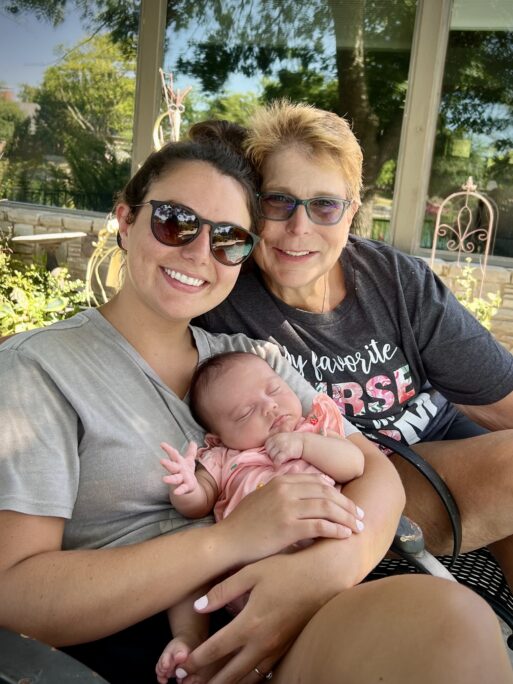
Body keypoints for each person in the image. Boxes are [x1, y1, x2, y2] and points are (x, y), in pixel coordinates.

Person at [0, 125, 511, 684]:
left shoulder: (249, 354)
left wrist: (327, 568)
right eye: (175, 222)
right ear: (125, 220)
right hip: (166, 643)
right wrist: (230, 539)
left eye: (228, 239)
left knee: (454, 627)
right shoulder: (41, 367)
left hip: (302, 603)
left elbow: (373, 468)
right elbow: (16, 592)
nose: (199, 253)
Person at [195, 101, 513, 595]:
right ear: (253, 207)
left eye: (324, 205)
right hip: (362, 476)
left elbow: (500, 398)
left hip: (460, 444)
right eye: (279, 201)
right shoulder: (224, 301)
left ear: (351, 214)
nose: (300, 229)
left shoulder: (394, 280)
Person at [157, 350, 365, 682]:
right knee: (186, 572)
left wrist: (303, 446)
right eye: (245, 413)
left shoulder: (312, 431)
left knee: (330, 637)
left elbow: (354, 464)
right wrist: (185, 486)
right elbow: (198, 504)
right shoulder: (225, 457)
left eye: (274, 390)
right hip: (247, 576)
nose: (270, 407)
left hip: (324, 562)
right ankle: (189, 640)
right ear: (218, 438)